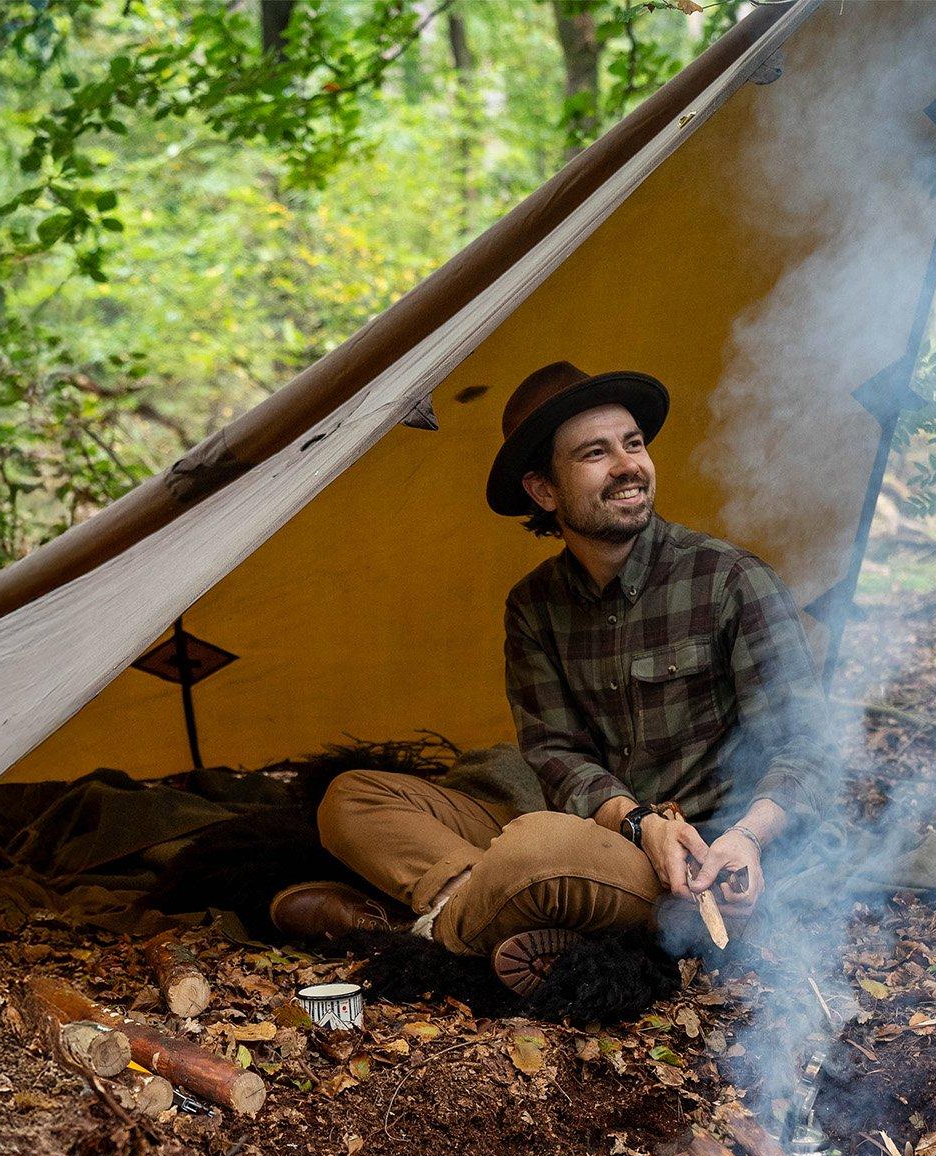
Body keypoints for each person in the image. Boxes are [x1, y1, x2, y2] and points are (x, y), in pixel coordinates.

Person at [271, 361, 833, 994]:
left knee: (535, 848)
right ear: (543, 491)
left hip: (698, 865)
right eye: (595, 453)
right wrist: (638, 823)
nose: (627, 465)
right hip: (606, 834)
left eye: (633, 444)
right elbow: (556, 754)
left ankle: (412, 930)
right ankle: (473, 905)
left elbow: (807, 747)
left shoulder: (730, 581)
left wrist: (747, 837)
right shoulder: (534, 605)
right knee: (353, 797)